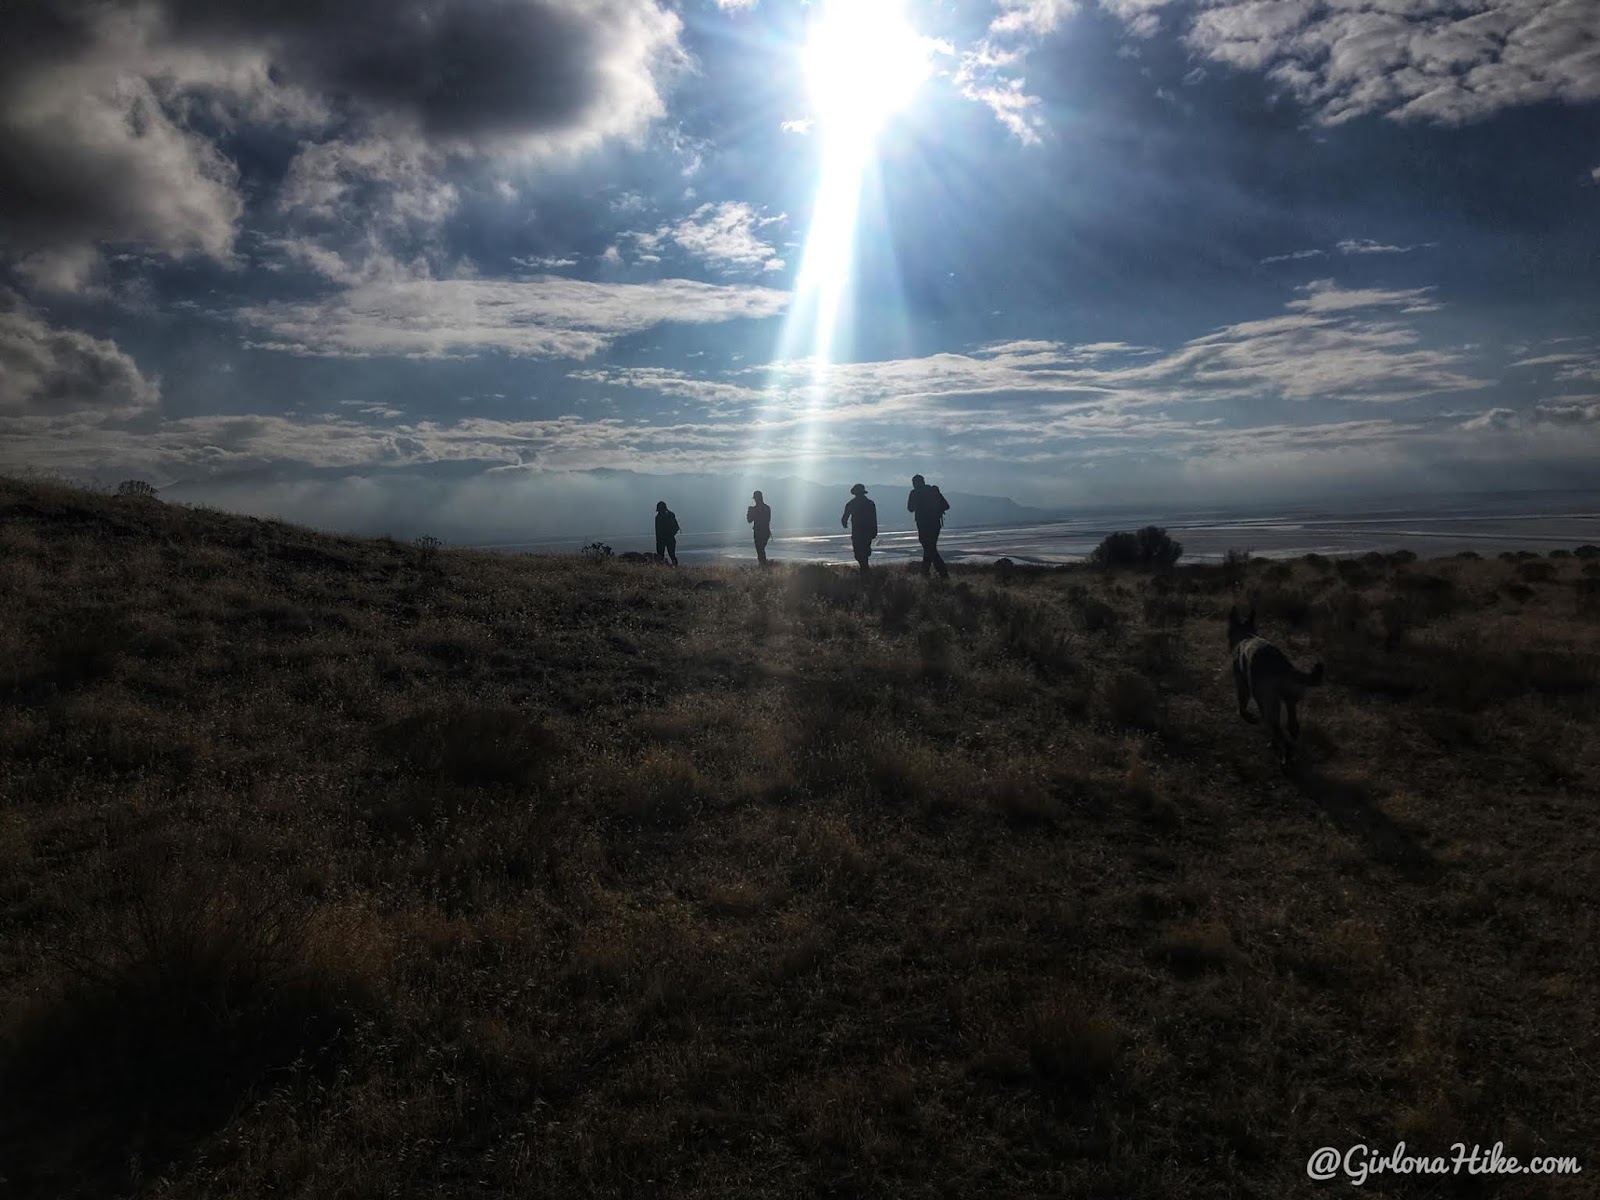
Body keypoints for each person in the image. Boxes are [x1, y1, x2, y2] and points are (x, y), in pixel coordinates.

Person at [907, 473, 950, 579]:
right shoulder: (933, 490)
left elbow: (910, 508)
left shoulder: (914, 493)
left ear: (915, 483)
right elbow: (946, 506)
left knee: (930, 549)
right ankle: (925, 573)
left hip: (923, 525)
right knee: (930, 548)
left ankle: (942, 573)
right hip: (935, 524)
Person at [840, 483, 878, 572]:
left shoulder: (852, 503)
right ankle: (865, 568)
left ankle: (864, 569)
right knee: (864, 551)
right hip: (865, 531)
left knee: (859, 551)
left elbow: (845, 517)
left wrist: (844, 522)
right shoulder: (869, 503)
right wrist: (874, 530)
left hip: (859, 532)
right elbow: (874, 518)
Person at [746, 490, 773, 566]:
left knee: (760, 550)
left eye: (755, 498)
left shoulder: (754, 509)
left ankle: (763, 567)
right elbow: (767, 520)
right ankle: (763, 567)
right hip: (766, 532)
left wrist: (750, 512)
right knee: (761, 550)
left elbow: (749, 520)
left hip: (758, 533)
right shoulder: (767, 508)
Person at [654, 500, 679, 565]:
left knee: (671, 555)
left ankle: (675, 567)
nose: (660, 511)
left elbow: (676, 528)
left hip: (668, 539)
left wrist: (670, 535)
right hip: (662, 540)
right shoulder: (658, 518)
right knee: (660, 557)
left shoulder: (670, 516)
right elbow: (657, 531)